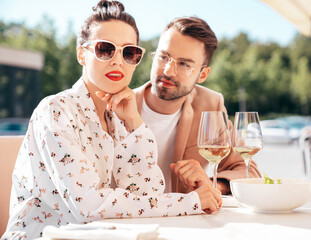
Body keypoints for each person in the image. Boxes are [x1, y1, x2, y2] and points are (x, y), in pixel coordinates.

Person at [1, 2, 221, 239]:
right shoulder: (55, 111)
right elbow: (89, 207)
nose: (118, 61)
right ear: (81, 55)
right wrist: (189, 202)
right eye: (105, 49)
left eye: (129, 52)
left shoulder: (118, 117)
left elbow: (147, 193)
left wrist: (136, 124)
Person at [134, 17, 261, 195]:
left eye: (184, 64)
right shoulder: (119, 106)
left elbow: (248, 170)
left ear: (203, 74)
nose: (168, 71)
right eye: (164, 57)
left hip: (186, 219)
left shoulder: (210, 105)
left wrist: (211, 185)